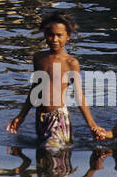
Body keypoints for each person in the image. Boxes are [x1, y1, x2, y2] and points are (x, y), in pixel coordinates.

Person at [7, 11, 111, 148]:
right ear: (45, 35)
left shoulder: (70, 63)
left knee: (52, 154)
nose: (54, 39)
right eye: (51, 35)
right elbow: (35, 90)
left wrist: (92, 125)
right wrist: (21, 116)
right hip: (41, 118)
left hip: (58, 118)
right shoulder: (39, 58)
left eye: (59, 35)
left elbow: (79, 96)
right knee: (44, 162)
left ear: (68, 37)